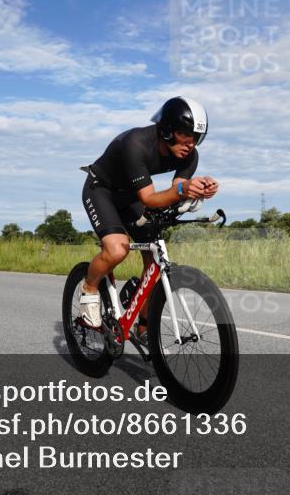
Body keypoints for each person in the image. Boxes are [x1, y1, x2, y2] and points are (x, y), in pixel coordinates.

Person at [79, 97, 219, 337]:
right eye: (185, 135)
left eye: (196, 138)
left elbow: (178, 189)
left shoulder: (189, 155)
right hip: (101, 190)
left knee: (154, 259)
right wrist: (179, 191)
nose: (190, 144)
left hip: (130, 197)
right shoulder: (135, 144)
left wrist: (197, 191)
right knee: (117, 250)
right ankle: (90, 287)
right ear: (166, 130)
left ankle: (144, 328)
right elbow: (149, 199)